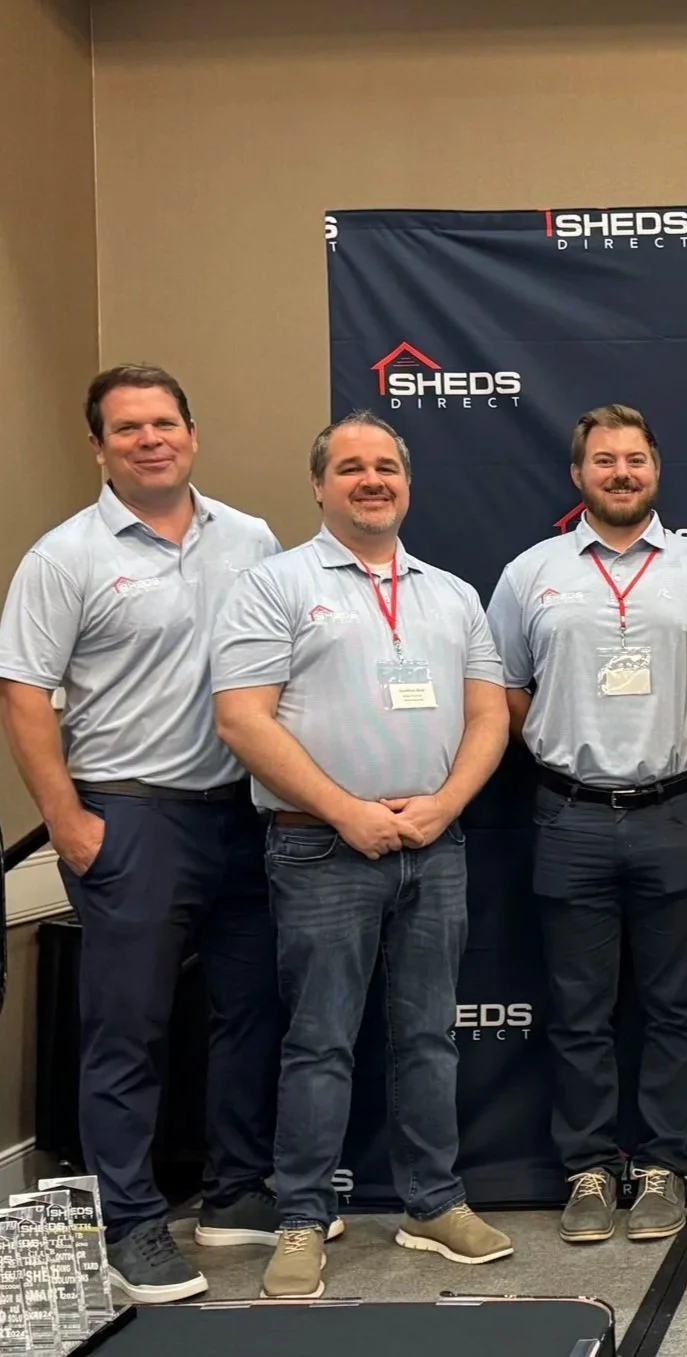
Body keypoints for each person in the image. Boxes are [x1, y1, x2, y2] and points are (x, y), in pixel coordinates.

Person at [0, 365, 287, 1303]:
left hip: (243, 811)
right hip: (130, 814)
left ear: (192, 435)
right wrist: (69, 823)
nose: (150, 439)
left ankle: (235, 1194)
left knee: (247, 1015)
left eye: (164, 422)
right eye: (128, 428)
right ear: (99, 447)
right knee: (128, 1031)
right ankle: (128, 1223)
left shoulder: (250, 538)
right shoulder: (64, 555)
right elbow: (24, 695)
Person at [211, 411, 512, 1299]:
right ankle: (303, 1215)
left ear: (408, 486)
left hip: (436, 842)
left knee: (427, 1037)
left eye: (386, 467)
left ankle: (433, 1203)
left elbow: (491, 713)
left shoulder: (452, 593)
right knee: (318, 1042)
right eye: (351, 467)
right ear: (319, 484)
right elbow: (242, 718)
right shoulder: (274, 585)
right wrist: (346, 812)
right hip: (319, 848)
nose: (371, 479)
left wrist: (442, 806)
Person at [487, 405, 687, 1246]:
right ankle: (588, 1169)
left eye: (634, 458)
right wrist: (565, 753)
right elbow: (506, 690)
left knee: (674, 1006)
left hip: (676, 808)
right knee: (580, 1009)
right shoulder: (530, 573)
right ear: (577, 474)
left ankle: (663, 1166)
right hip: (571, 813)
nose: (620, 472)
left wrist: (681, 749)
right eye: (604, 460)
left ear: (656, 468)